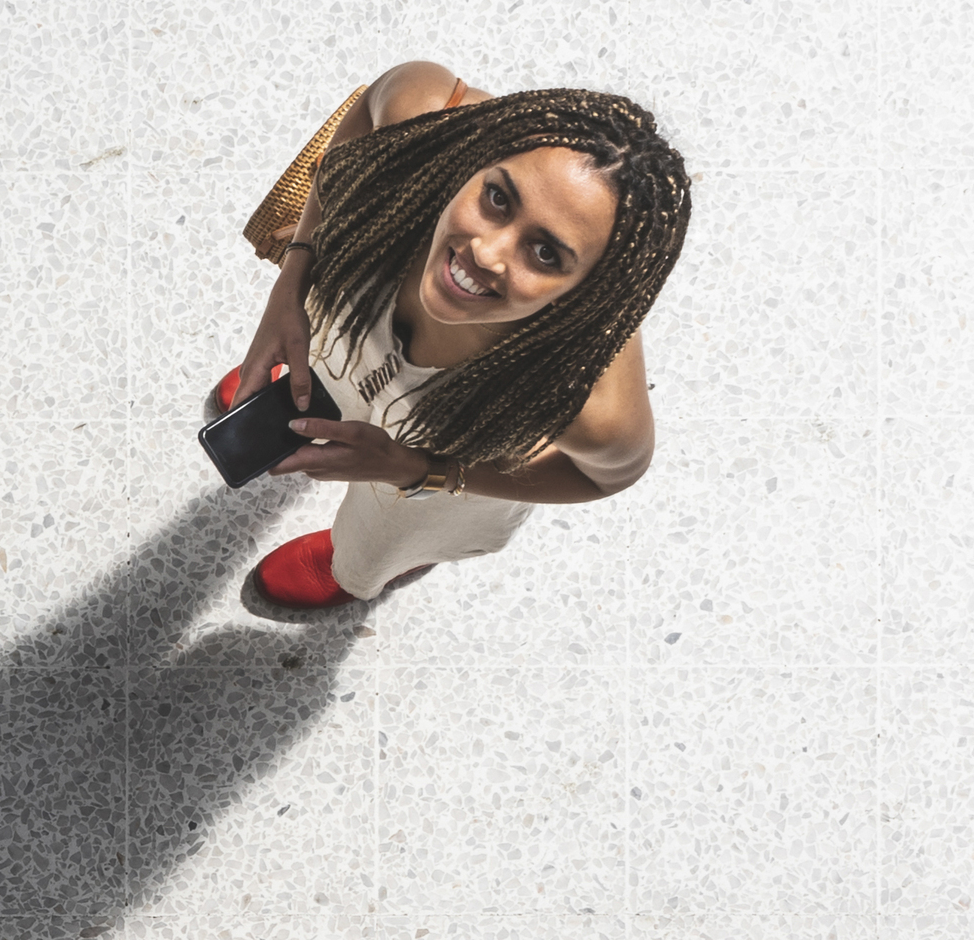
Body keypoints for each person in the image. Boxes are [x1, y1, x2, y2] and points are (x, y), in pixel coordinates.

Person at [215, 61, 693, 614]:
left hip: (456, 438)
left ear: (588, 291)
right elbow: (364, 116)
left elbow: (609, 476)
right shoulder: (428, 113)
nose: (485, 253)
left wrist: (420, 470)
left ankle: (352, 564)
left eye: (545, 253)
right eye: (497, 198)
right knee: (323, 379)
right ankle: (326, 392)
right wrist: (294, 279)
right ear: (477, 158)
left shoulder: (582, 403)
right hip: (355, 333)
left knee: (387, 531)